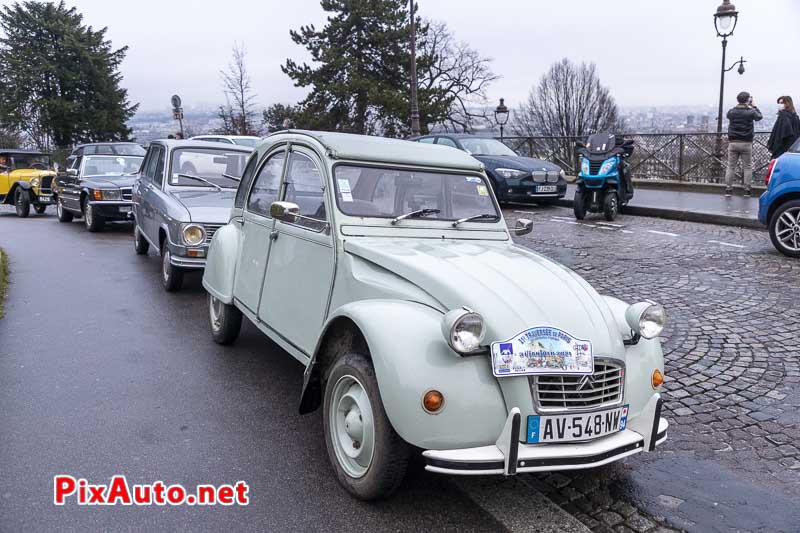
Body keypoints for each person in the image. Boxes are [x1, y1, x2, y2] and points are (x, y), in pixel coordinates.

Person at [725, 91, 763, 197]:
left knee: (730, 166)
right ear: (748, 100)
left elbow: (729, 116)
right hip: (746, 142)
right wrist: (754, 106)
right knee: (747, 167)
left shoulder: (731, 112)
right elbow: (759, 117)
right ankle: (747, 190)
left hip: (733, 142)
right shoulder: (751, 112)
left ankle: (728, 189)